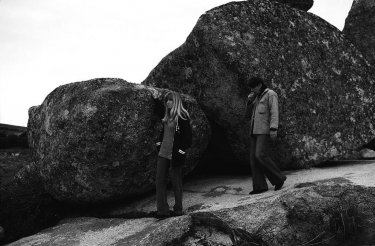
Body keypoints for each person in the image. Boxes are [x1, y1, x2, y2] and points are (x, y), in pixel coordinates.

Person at [155, 91, 192, 218]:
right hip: (163, 153)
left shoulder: (182, 116)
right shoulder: (167, 116)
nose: (168, 102)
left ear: (175, 101)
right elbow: (163, 133)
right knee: (160, 181)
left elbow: (188, 138)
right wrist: (159, 144)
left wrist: (180, 151)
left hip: (175, 155)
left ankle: (178, 209)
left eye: (170, 100)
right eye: (167, 100)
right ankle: (162, 211)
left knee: (176, 182)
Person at [246, 77, 286, 195]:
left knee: (260, 155)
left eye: (253, 87)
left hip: (264, 131)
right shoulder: (256, 97)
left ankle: (279, 178)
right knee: (253, 159)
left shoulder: (270, 94)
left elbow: (274, 112)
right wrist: (249, 101)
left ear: (259, 85)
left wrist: (274, 128)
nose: (252, 90)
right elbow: (247, 114)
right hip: (254, 131)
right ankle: (259, 187)